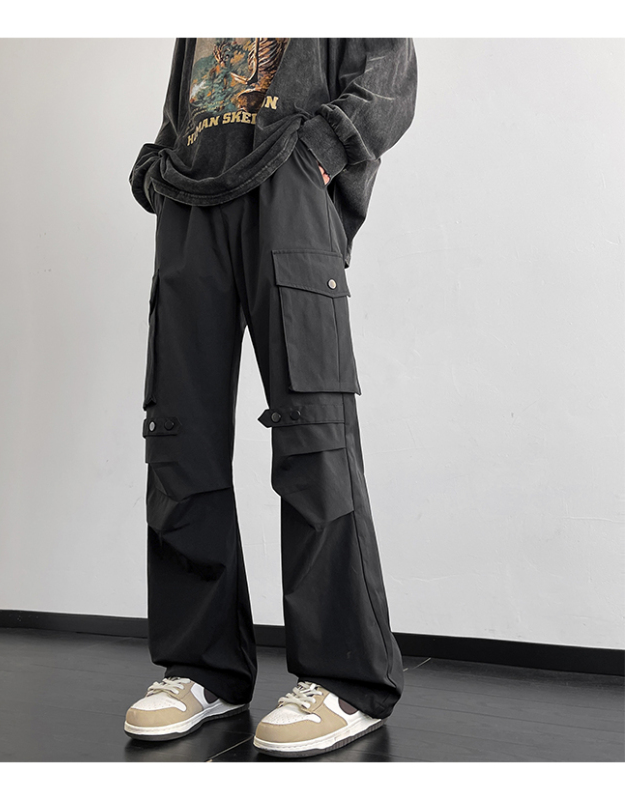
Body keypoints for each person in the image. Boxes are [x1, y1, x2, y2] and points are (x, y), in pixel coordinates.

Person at [124, 38, 417, 758]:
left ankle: (346, 680)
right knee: (177, 432)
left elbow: (388, 73)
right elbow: (193, 98)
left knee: (313, 428)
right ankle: (202, 668)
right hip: (190, 197)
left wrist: (317, 151)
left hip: (287, 182)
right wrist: (158, 165)